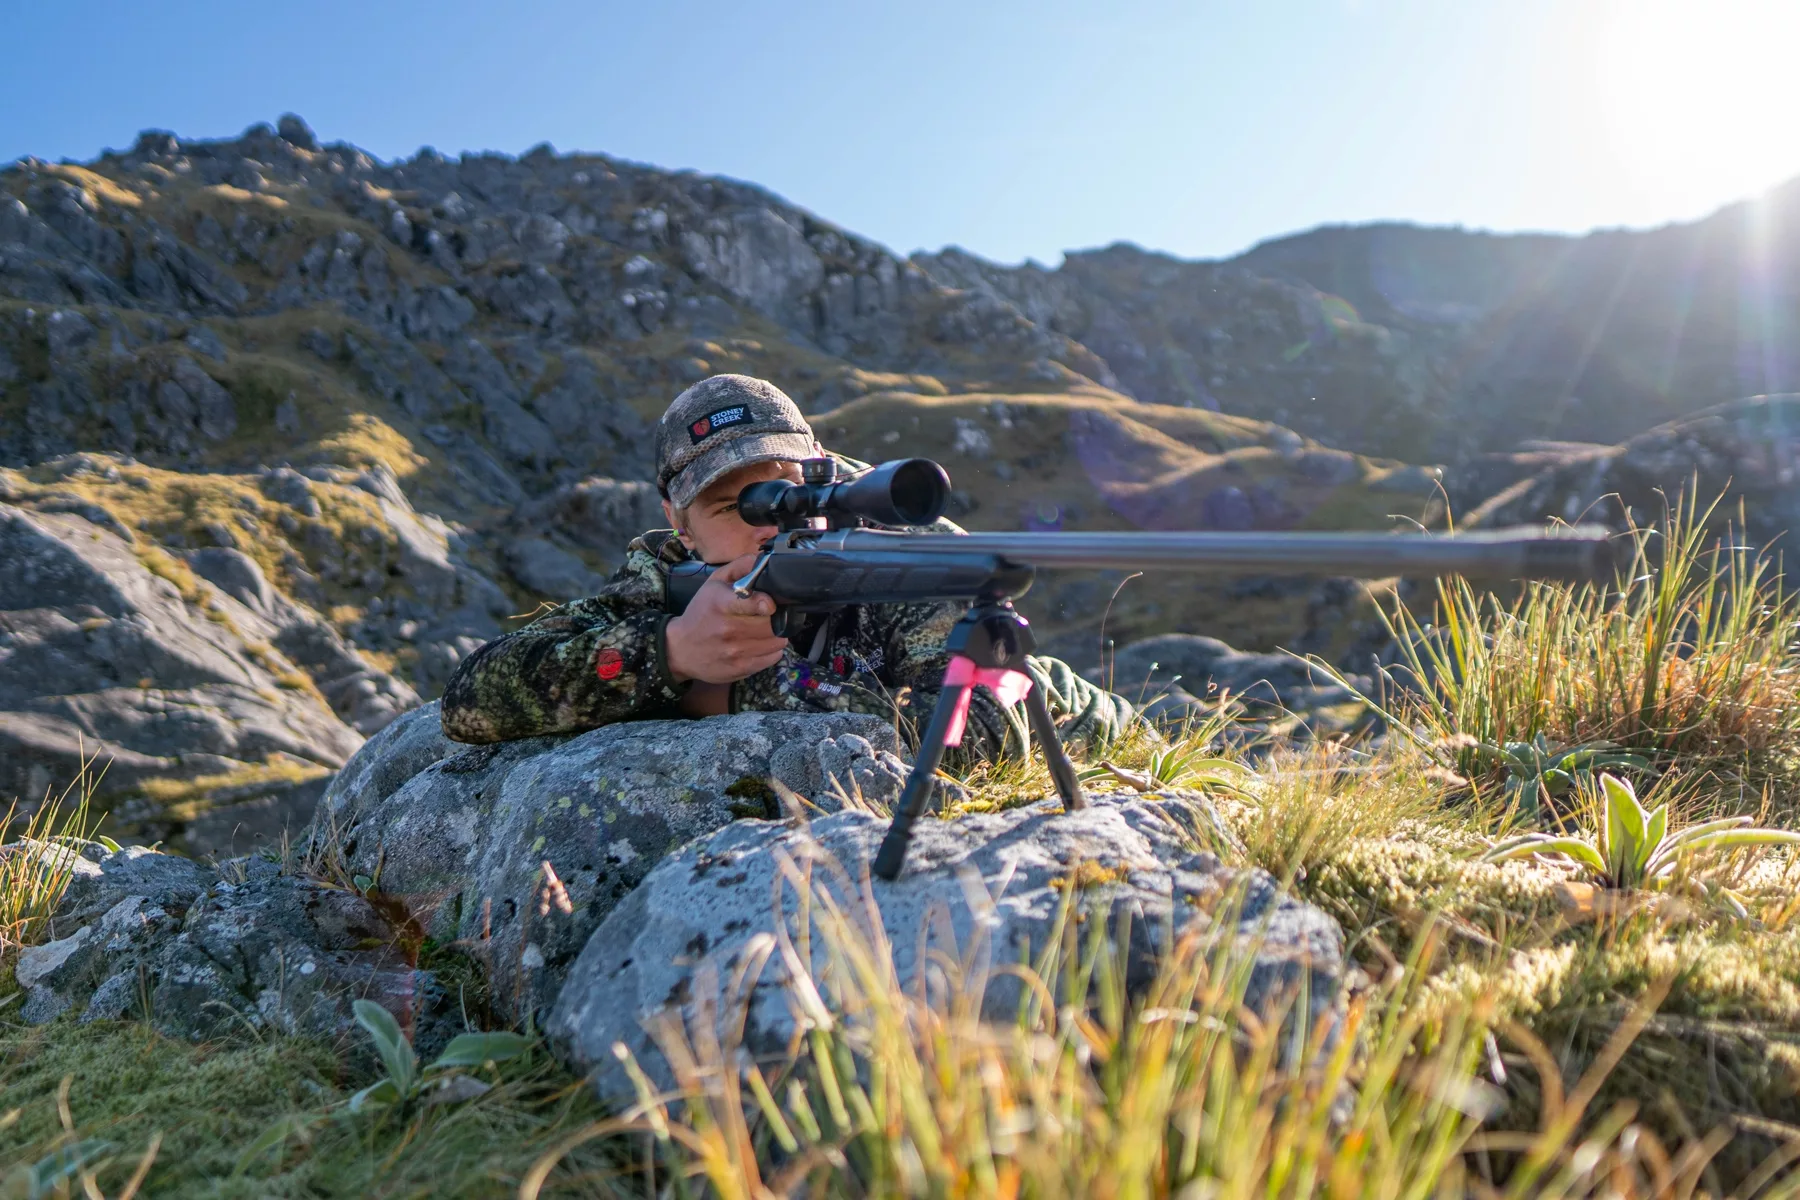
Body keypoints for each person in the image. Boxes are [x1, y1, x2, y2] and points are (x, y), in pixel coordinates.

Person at [440, 374, 1133, 759]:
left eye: (786, 488)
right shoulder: (666, 577)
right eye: (731, 505)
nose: (772, 522)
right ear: (679, 520)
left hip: (1094, 726)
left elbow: (988, 738)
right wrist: (671, 653)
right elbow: (471, 700)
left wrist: (737, 694)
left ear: (820, 470)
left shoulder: (898, 552)